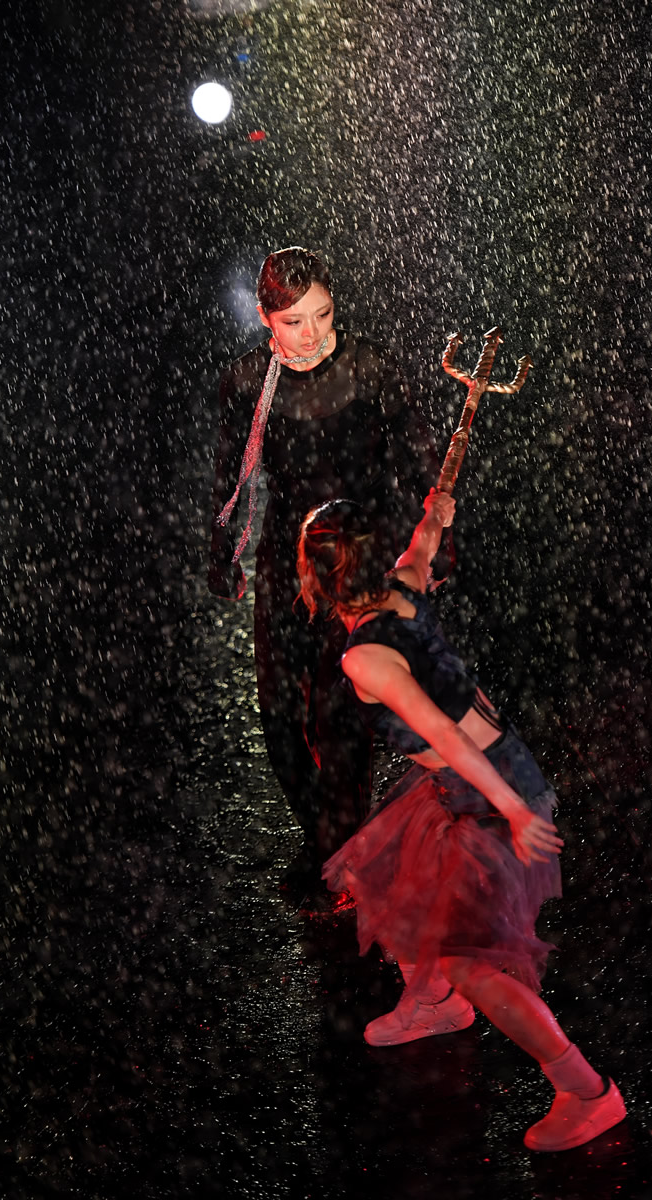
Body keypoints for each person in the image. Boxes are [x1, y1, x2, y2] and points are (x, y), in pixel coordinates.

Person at [295, 489, 627, 1152]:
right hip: (473, 779)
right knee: (398, 872)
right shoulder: (403, 587)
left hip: (487, 789)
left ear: (314, 580)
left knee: (475, 964)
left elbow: (445, 736)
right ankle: (436, 1001)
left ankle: (587, 1093)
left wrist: (511, 808)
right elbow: (423, 545)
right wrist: (436, 512)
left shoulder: (364, 658)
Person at [209, 247, 452, 883]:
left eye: (322, 314)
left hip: (357, 556)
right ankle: (327, 835)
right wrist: (221, 550)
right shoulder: (247, 382)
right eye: (293, 321)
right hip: (288, 561)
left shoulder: (369, 369)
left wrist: (439, 540)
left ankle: (338, 849)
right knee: (280, 715)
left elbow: (419, 457)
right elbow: (229, 472)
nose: (312, 333)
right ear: (265, 318)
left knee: (341, 712)